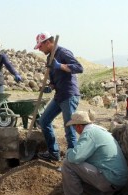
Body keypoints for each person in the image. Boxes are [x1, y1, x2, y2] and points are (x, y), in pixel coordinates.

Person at [59, 111, 128, 195]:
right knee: (76, 175)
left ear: (78, 126)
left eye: (74, 127)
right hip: (117, 179)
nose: (75, 130)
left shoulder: (89, 134)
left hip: (111, 179)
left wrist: (68, 152)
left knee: (67, 164)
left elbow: (74, 157)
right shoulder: (97, 130)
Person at [33, 32, 84, 162]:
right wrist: (50, 86)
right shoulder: (50, 58)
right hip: (59, 95)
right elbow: (54, 80)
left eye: (40, 46)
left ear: (47, 42)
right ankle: (53, 153)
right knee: (44, 121)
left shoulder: (63, 53)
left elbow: (79, 68)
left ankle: (73, 161)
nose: (39, 49)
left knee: (69, 129)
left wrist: (60, 65)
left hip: (69, 94)